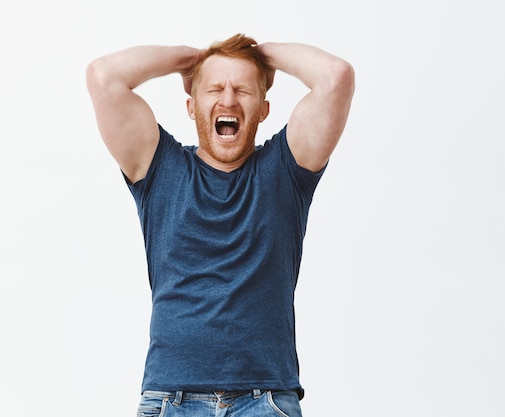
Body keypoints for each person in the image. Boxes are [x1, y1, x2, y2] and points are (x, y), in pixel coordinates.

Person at [85, 33, 355, 417]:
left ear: (263, 109)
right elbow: (102, 76)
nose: (228, 99)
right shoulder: (158, 167)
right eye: (215, 88)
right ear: (192, 107)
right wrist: (189, 59)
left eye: (242, 90)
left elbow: (336, 76)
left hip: (265, 400)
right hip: (170, 400)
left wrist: (263, 56)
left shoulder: (285, 171)